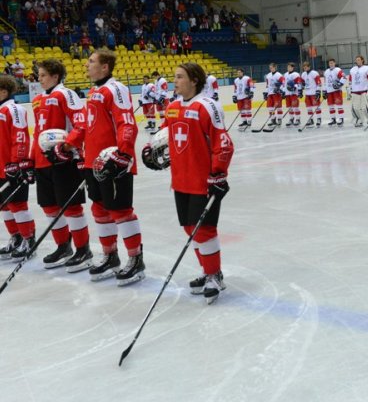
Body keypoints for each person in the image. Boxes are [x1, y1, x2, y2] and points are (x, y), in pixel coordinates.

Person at [142, 63, 234, 304]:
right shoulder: (172, 107)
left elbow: (222, 142)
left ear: (194, 80)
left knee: (204, 229)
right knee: (189, 228)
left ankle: (215, 275)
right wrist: (150, 148)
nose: (175, 81)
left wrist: (218, 173)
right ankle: (207, 270)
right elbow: (164, 133)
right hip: (180, 179)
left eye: (180, 77)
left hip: (202, 180)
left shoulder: (207, 106)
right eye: (175, 76)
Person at [62, 48, 145, 285]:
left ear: (105, 66)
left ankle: (136, 259)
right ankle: (110, 256)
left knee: (120, 211)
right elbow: (86, 128)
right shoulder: (93, 91)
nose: (86, 65)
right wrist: (70, 146)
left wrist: (124, 154)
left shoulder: (115, 88)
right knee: (99, 209)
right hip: (93, 162)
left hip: (113, 162)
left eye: (91, 61)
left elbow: (127, 122)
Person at [31, 59, 92, 271]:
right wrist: (31, 160)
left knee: (71, 207)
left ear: (55, 76)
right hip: (42, 161)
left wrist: (67, 146)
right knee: (49, 207)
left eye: (43, 75)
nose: (39, 79)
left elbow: (81, 124)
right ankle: (63, 246)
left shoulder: (65, 94)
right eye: (39, 75)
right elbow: (37, 133)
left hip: (63, 160)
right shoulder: (38, 100)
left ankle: (83, 250)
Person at [0, 75, 37, 260]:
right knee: (4, 206)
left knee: (18, 205)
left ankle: (28, 239)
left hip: (10, 167)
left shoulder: (13, 109)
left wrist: (16, 162)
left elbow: (20, 137)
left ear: (4, 91)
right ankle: (16, 238)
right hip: (0, 168)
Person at [348, 55, 368, 127]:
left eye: (359, 60)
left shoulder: (367, 68)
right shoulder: (352, 69)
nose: (357, 61)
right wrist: (349, 89)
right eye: (356, 60)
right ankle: (359, 119)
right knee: (355, 107)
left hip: (364, 90)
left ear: (362, 60)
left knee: (365, 107)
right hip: (355, 91)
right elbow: (350, 80)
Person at [323, 58, 347, 126]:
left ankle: (341, 119)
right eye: (330, 63)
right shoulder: (326, 72)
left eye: (332, 63)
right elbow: (325, 82)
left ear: (334, 63)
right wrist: (324, 91)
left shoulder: (338, 70)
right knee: (331, 106)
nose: (331, 64)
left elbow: (344, 77)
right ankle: (333, 119)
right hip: (329, 91)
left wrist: (339, 84)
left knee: (339, 105)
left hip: (336, 91)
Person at [301, 61, 322, 127]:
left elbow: (319, 83)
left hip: (314, 93)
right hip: (307, 93)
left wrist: (318, 91)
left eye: (306, 67)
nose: (305, 68)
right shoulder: (303, 74)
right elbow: (302, 83)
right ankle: (311, 120)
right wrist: (300, 89)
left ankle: (319, 119)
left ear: (309, 67)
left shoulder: (314, 73)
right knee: (308, 108)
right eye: (304, 67)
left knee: (317, 107)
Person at [263, 63, 284, 127]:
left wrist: (279, 89)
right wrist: (266, 93)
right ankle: (273, 120)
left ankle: (279, 119)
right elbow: (267, 85)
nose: (270, 69)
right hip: (270, 94)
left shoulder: (279, 75)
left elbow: (283, 83)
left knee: (278, 107)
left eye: (271, 67)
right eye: (270, 68)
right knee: (270, 108)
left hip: (276, 94)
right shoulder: (268, 75)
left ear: (275, 67)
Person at [283, 62, 303, 127]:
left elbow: (299, 83)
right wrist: (283, 91)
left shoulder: (296, 74)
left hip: (294, 93)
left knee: (295, 107)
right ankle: (291, 119)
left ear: (292, 67)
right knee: (289, 108)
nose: (288, 68)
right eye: (287, 67)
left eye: (289, 67)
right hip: (287, 93)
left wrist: (295, 87)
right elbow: (284, 84)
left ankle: (298, 119)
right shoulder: (285, 74)